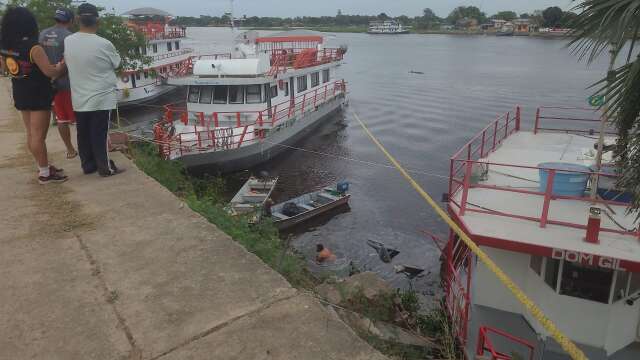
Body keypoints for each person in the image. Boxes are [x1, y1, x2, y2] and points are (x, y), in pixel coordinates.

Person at [0, 7, 68, 184]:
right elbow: (50, 72)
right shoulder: (33, 47)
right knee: (39, 136)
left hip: (20, 92)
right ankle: (45, 174)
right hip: (38, 94)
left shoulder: (5, 47)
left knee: (31, 133)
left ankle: (43, 166)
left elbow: (6, 69)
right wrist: (63, 64)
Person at [64, 3, 123, 177]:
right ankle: (105, 168)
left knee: (83, 133)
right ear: (98, 21)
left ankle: (88, 165)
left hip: (79, 95)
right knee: (99, 133)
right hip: (101, 96)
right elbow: (117, 63)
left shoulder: (68, 40)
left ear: (77, 20)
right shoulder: (104, 43)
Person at [40, 8, 77, 159]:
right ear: (70, 20)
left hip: (51, 85)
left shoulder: (42, 34)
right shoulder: (70, 37)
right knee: (79, 120)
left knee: (61, 118)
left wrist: (51, 76)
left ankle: (70, 150)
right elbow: (70, 61)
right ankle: (86, 149)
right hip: (69, 84)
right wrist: (57, 74)